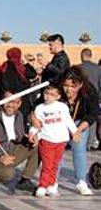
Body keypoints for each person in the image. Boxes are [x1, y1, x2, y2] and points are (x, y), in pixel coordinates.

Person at [0, 90, 38, 194]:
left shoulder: (19, 115)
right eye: (8, 101)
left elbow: (19, 137)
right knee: (8, 173)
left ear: (19, 103)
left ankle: (25, 181)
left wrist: (29, 138)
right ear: (2, 101)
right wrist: (0, 157)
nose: (11, 105)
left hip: (10, 151)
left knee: (36, 145)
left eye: (15, 102)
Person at [29, 82, 79, 198]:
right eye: (46, 93)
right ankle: (42, 185)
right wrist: (32, 133)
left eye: (52, 94)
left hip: (61, 140)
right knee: (47, 164)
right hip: (47, 140)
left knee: (55, 164)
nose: (48, 96)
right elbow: (37, 125)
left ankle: (51, 185)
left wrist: (74, 132)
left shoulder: (62, 107)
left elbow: (68, 121)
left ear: (58, 96)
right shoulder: (40, 108)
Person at [58, 67, 98, 195]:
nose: (68, 89)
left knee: (79, 146)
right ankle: (52, 181)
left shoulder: (90, 92)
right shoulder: (57, 89)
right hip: (59, 122)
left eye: (72, 86)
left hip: (80, 122)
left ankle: (81, 181)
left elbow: (93, 114)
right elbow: (40, 103)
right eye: (65, 85)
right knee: (57, 147)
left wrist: (78, 130)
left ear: (80, 84)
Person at [0, 47, 32, 120]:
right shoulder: (21, 67)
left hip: (7, 99)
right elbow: (33, 74)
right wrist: (27, 63)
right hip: (22, 99)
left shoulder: (3, 67)